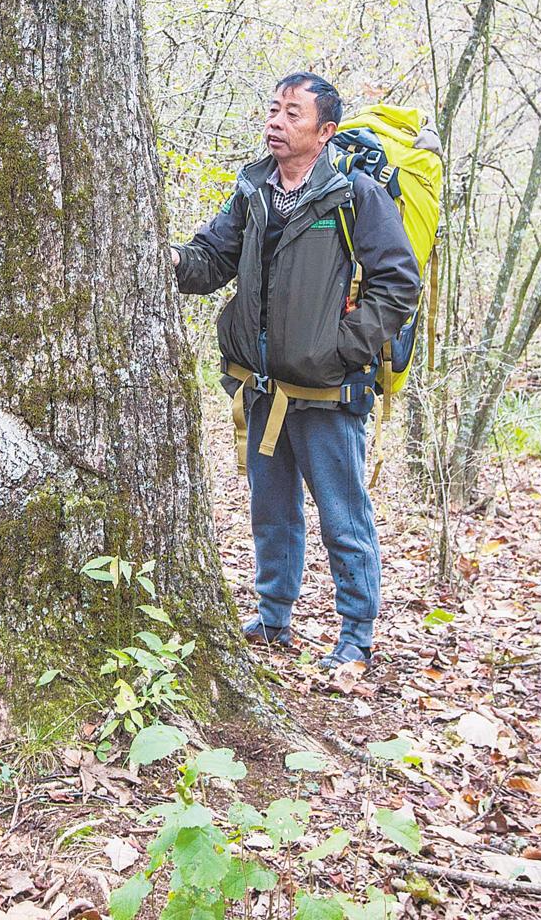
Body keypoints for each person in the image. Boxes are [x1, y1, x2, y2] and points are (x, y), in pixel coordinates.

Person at [172, 73, 420, 672]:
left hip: (328, 390)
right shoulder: (254, 189)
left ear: (325, 131)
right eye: (274, 109)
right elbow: (213, 259)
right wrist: (171, 258)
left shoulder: (356, 196)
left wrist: (341, 349)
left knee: (343, 516)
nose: (276, 122)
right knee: (271, 510)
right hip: (261, 386)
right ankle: (273, 616)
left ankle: (356, 634)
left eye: (293, 113)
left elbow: (398, 283)